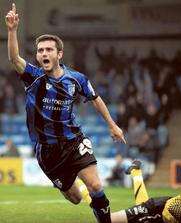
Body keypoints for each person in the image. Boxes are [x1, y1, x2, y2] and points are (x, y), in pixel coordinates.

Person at [5, 3, 126, 223]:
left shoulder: (76, 79)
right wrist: (12, 31)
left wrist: (112, 125)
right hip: (47, 151)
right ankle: (74, 185)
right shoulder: (33, 77)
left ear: (59, 54)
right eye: (40, 50)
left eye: (48, 49)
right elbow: (14, 59)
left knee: (96, 186)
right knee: (76, 198)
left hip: (73, 141)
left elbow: (95, 98)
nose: (43, 53)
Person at [77, 160, 181, 223]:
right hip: (157, 211)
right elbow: (173, 207)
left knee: (141, 202)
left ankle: (136, 171)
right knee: (106, 220)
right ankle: (80, 184)